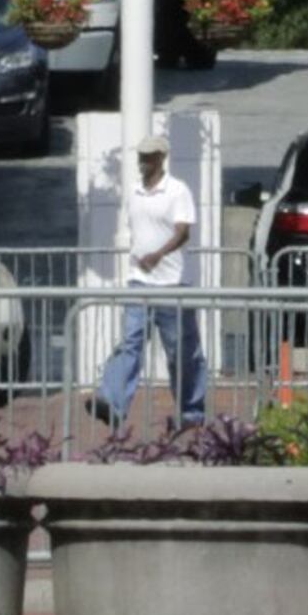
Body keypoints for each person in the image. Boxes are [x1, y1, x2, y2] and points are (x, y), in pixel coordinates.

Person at [92, 137, 209, 427]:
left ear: (162, 157)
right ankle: (113, 402)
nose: (143, 161)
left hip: (172, 285)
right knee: (130, 343)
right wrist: (142, 260)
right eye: (141, 155)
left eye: (149, 156)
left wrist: (158, 255)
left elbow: (183, 233)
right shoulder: (134, 192)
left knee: (181, 353)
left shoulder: (177, 191)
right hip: (140, 282)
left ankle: (192, 412)